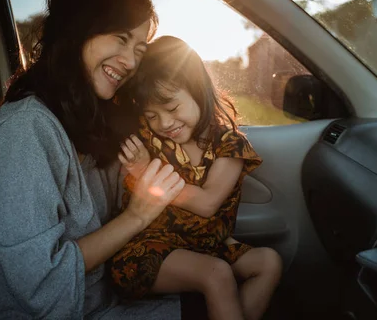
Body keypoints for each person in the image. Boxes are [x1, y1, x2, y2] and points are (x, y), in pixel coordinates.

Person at [0, 0, 186, 319]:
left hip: (101, 301)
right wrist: (138, 215)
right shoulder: (22, 133)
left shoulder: (87, 118)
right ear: (79, 29)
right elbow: (43, 287)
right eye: (121, 39)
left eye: (139, 49)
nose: (130, 62)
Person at [110, 36, 283, 320]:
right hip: (148, 249)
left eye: (173, 108)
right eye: (152, 115)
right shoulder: (149, 139)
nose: (164, 123)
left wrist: (146, 172)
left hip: (207, 248)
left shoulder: (228, 144)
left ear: (198, 91)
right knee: (217, 274)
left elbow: (207, 203)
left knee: (269, 262)